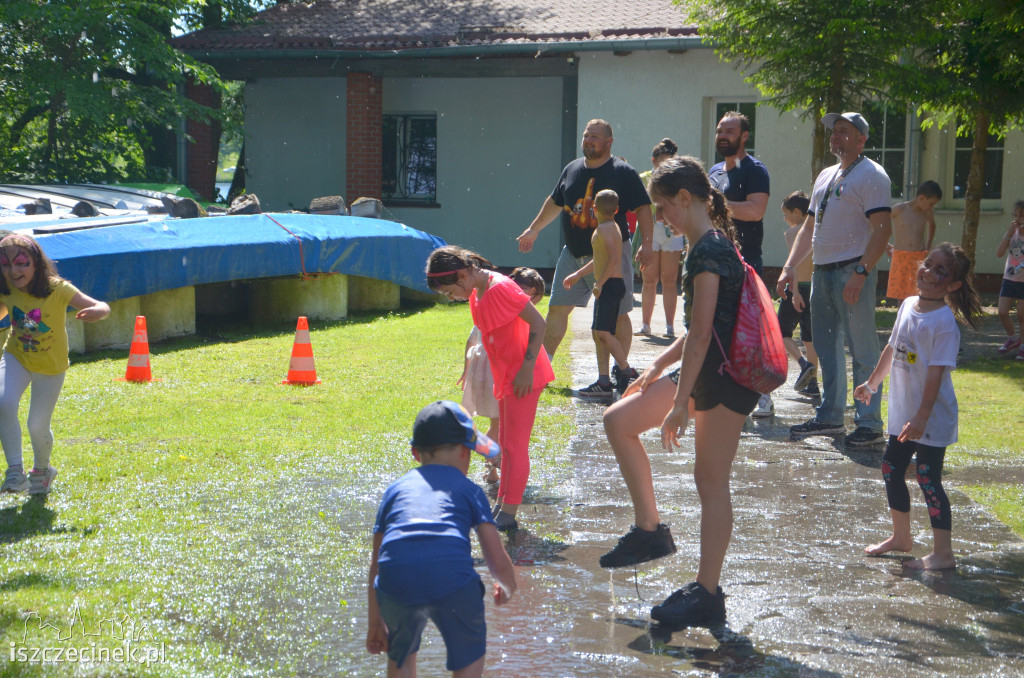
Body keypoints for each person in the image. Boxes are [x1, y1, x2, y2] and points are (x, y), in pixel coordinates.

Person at [600, 156, 759, 628]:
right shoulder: (706, 246)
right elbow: (696, 332)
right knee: (619, 421)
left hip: (725, 380)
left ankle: (707, 593)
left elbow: (706, 333)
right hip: (703, 371)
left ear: (685, 200)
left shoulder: (709, 250)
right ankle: (650, 530)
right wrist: (656, 365)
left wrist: (677, 403)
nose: (660, 217)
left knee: (710, 481)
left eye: (663, 207)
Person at [366, 400, 517, 677]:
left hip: (396, 580)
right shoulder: (470, 491)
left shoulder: (394, 491)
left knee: (401, 658)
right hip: (453, 579)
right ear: (464, 453)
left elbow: (377, 564)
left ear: (415, 452)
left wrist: (376, 620)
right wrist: (507, 587)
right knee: (470, 655)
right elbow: (496, 559)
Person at [855, 243, 983, 570]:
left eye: (941, 271)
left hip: (930, 417)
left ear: (953, 285)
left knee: (928, 478)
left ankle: (943, 554)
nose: (929, 272)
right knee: (891, 470)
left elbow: (936, 374)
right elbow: (894, 347)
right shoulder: (908, 304)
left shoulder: (944, 323)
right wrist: (872, 384)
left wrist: (923, 416)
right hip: (905, 415)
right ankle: (901, 538)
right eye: (928, 264)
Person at [777, 112, 893, 447]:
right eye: (833, 132)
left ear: (862, 139)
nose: (836, 137)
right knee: (826, 349)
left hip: (851, 270)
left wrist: (862, 271)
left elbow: (883, 230)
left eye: (844, 132)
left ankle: (869, 424)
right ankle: (830, 417)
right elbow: (809, 228)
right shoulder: (826, 175)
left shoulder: (873, 175)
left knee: (863, 350)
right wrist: (788, 267)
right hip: (822, 273)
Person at [516, 119, 653, 388]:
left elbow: (644, 208)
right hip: (573, 252)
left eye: (595, 137)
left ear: (609, 141)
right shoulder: (572, 169)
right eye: (586, 136)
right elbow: (555, 202)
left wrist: (646, 244)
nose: (588, 140)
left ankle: (619, 371)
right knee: (556, 309)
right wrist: (534, 229)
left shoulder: (623, 172)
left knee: (618, 316)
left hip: (610, 255)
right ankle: (543, 369)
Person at [426, 246, 554, 530]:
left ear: (461, 274)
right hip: (507, 376)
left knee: (514, 447)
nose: (451, 298)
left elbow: (538, 323)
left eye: (449, 292)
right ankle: (502, 505)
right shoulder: (477, 291)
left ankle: (508, 513)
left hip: (524, 377)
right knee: (505, 447)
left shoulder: (500, 288)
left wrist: (525, 369)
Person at [0, 234, 110, 495]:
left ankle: (42, 470)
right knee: (2, 401)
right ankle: (15, 470)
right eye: (5, 264)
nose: (13, 271)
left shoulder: (57, 288)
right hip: (16, 356)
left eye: (21, 263)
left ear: (36, 264)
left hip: (50, 366)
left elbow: (101, 305)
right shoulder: (6, 288)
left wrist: (99, 311)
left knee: (36, 425)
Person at [707, 111, 773, 417]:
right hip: (713, 260)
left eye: (730, 131)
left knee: (750, 330)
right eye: (721, 129)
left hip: (745, 262)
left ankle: (762, 394)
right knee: (718, 328)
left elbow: (756, 211)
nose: (723, 135)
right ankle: (722, 388)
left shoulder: (755, 170)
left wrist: (717, 205)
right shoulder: (714, 172)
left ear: (744, 136)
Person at [459, 268, 545, 485]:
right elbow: (474, 339)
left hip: (495, 373)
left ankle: (495, 467)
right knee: (498, 425)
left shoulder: (500, 305)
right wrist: (466, 369)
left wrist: (466, 369)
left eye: (529, 294)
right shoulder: (496, 305)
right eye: (522, 291)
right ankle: (495, 462)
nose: (525, 297)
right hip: (492, 374)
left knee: (500, 427)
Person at [563, 190, 637, 395]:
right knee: (598, 332)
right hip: (608, 285)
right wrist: (578, 274)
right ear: (617, 210)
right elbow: (601, 259)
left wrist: (600, 283)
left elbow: (614, 259)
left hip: (611, 285)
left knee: (603, 332)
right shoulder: (608, 227)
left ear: (594, 209)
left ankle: (626, 370)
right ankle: (604, 382)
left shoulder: (606, 229)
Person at [637, 138, 686, 338]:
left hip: (673, 230)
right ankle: (645, 325)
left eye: (670, 161)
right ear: (653, 160)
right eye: (662, 161)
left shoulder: (680, 179)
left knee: (669, 279)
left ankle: (669, 326)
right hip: (651, 230)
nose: (666, 166)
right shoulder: (644, 178)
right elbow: (639, 205)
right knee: (649, 279)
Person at [778, 191, 819, 397]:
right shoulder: (819, 231)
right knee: (810, 338)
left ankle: (803, 364)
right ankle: (813, 384)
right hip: (815, 287)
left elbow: (793, 267)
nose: (784, 219)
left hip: (797, 287)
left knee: (781, 332)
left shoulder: (793, 234)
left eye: (786, 214)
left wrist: (793, 292)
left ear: (797, 212)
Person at [886, 181, 942, 301]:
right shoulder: (899, 209)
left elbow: (932, 225)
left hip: (918, 256)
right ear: (922, 198)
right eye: (931, 203)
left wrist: (928, 247)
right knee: (901, 294)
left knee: (918, 292)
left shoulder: (926, 212)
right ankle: (901, 318)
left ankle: (917, 318)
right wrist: (886, 245)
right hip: (900, 256)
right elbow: (880, 224)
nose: (931, 207)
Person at [995, 199, 1024, 360]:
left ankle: (1023, 347)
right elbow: (999, 253)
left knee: (1022, 315)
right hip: (1009, 278)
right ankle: (1014, 338)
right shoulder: (1012, 235)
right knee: (1002, 311)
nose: (1018, 219)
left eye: (1022, 215)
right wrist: (1008, 234)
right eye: (1015, 215)